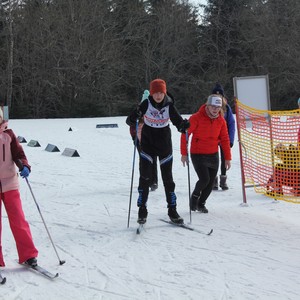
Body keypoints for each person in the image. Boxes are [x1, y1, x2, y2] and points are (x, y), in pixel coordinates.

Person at [126, 79, 189, 224]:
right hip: (148, 143)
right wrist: (134, 116)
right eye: (156, 93)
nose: (159, 95)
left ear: (164, 92)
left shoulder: (169, 105)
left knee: (168, 179)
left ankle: (172, 210)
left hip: (164, 144)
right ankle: (142, 210)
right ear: (152, 93)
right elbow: (130, 121)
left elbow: (178, 122)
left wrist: (183, 126)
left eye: (161, 92)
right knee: (145, 178)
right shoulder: (146, 103)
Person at [0, 107, 38, 267]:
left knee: (19, 220)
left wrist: (25, 166)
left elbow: (19, 154)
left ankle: (28, 255)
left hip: (10, 183)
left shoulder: (8, 135)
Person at [181, 94, 232, 213]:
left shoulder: (221, 121)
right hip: (198, 153)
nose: (215, 109)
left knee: (210, 183)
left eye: (218, 107)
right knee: (204, 179)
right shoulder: (196, 117)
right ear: (207, 106)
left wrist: (227, 158)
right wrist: (184, 153)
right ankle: (194, 197)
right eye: (213, 106)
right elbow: (185, 135)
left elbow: (225, 139)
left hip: (213, 153)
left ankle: (201, 203)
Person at [129, 90, 158, 191]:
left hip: (152, 141)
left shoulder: (153, 111)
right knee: (143, 161)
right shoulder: (137, 112)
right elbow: (131, 125)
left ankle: (154, 181)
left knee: (153, 160)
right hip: (140, 141)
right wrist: (134, 138)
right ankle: (144, 180)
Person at [211, 83, 235, 190]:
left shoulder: (227, 108)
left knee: (224, 158)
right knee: (213, 159)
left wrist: (231, 139)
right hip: (212, 138)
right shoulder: (210, 107)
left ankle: (223, 179)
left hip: (224, 138)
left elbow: (231, 124)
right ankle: (213, 180)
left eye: (220, 96)